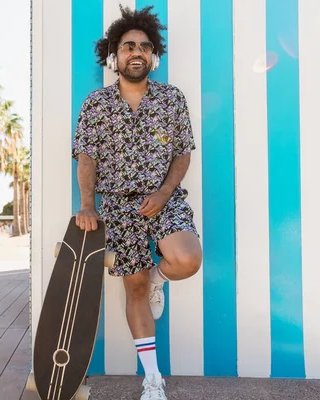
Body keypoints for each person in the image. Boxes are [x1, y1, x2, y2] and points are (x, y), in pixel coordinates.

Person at [71, 5, 203, 400]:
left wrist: (163, 193)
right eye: (128, 45)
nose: (137, 52)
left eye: (145, 46)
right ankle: (153, 380)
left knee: (187, 259)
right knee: (134, 288)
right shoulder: (95, 105)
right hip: (117, 207)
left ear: (154, 56)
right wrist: (87, 205)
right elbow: (87, 157)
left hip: (165, 199)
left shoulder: (171, 99)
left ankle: (160, 277)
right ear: (114, 55)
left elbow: (182, 152)